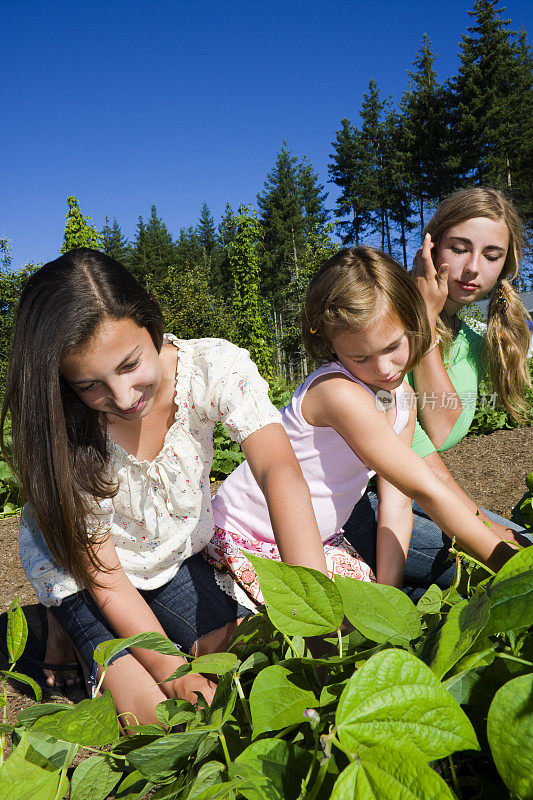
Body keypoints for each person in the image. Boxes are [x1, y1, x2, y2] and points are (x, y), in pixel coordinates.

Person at [0, 247, 329, 725]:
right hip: (89, 576)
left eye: (131, 365)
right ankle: (53, 623)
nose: (121, 397)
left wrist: (315, 610)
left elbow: (279, 471)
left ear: (151, 322)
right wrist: (171, 671)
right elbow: (106, 576)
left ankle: (67, 632)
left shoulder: (213, 369)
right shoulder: (68, 433)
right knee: (164, 716)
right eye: (90, 384)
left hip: (168, 558)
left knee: (259, 658)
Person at [207, 246, 518, 602]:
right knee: (327, 636)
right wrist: (507, 562)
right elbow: (425, 489)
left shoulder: (401, 398)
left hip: (319, 539)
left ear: (413, 321)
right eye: (361, 357)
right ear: (331, 345)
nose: (385, 368)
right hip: (252, 535)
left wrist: (389, 594)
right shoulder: (338, 394)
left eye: (393, 346)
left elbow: (398, 504)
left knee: (381, 614)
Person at [344, 188, 532, 597]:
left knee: (523, 548)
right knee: (510, 572)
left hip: (409, 496)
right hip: (357, 500)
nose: (471, 267)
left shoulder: (476, 345)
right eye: (459, 248)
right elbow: (413, 439)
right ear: (431, 246)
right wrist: (424, 317)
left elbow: (440, 427)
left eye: (491, 255)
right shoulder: (385, 320)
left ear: (505, 265)